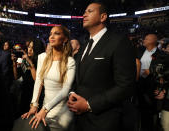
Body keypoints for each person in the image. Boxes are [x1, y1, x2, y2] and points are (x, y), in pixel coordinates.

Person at [67, 2, 136, 131]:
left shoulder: (119, 42)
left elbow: (126, 85)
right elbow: (80, 77)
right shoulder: (85, 44)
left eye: (90, 11)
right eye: (85, 11)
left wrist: (89, 105)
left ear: (103, 17)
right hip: (80, 120)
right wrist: (72, 93)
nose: (84, 14)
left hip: (105, 120)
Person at [12, 25, 75, 131]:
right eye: (50, 34)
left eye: (57, 33)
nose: (52, 36)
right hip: (43, 110)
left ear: (65, 39)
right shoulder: (42, 57)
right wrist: (34, 105)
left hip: (61, 114)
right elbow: (39, 81)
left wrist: (45, 109)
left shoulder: (70, 61)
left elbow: (66, 90)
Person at [11, 39, 45, 118]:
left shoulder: (40, 61)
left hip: (34, 94)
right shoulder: (25, 59)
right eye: (29, 47)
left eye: (32, 48)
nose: (29, 49)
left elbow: (38, 81)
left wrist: (30, 64)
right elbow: (16, 77)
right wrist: (14, 63)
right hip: (24, 91)